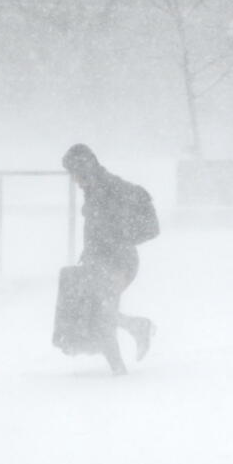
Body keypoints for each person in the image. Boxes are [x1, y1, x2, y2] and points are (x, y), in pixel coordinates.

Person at [59, 143, 156, 375]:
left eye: (74, 174)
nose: (73, 180)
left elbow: (144, 211)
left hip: (119, 262)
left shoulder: (111, 187)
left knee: (103, 315)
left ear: (85, 169)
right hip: (99, 262)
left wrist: (119, 239)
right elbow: (98, 227)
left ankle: (119, 373)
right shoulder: (95, 188)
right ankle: (138, 327)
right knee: (101, 312)